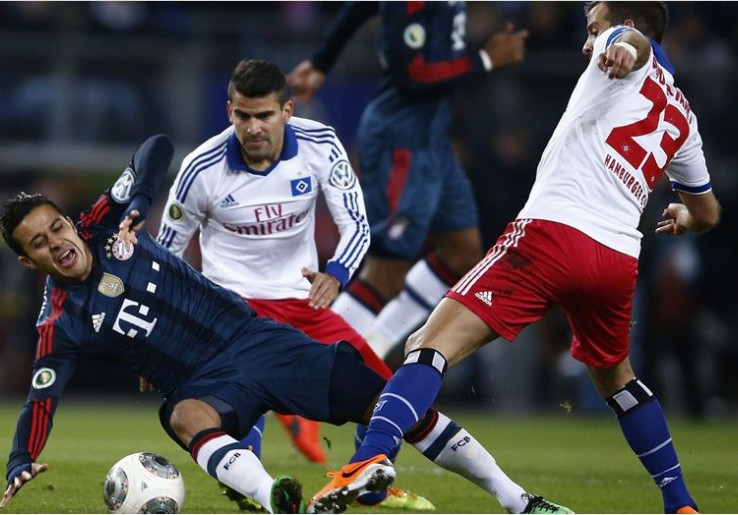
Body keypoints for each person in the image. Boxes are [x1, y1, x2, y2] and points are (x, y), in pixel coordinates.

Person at [0, 135, 573, 515]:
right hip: (205, 384)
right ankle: (277, 498)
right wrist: (21, 459)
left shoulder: (104, 222)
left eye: (56, 228)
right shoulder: (59, 323)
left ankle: (518, 500)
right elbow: (41, 399)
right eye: (39, 244)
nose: (57, 243)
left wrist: (138, 200)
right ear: (29, 262)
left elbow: (154, 148)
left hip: (255, 340)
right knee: (180, 415)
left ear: (69, 222)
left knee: (397, 407)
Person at [311, 2, 720, 514]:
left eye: (592, 30)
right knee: (619, 381)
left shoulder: (622, 44)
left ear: (627, 25)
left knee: (429, 344)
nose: (587, 44)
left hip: (552, 234)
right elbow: (707, 212)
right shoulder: (684, 114)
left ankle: (369, 458)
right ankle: (680, 503)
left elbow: (632, 48)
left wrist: (619, 46)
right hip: (616, 258)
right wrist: (684, 214)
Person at [155, 58, 430, 511]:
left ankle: (368, 482)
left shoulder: (320, 144)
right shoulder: (200, 169)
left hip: (302, 302)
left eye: (264, 115)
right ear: (229, 112)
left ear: (287, 109)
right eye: (243, 116)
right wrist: (168, 332)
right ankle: (254, 488)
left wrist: (336, 274)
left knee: (388, 391)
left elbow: (357, 225)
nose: (253, 127)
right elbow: (167, 256)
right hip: (229, 311)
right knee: (236, 405)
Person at [288, 2, 529, 360]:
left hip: (432, 141)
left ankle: (373, 347)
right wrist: (485, 60)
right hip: (399, 142)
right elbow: (412, 75)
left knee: (462, 255)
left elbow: (360, 7)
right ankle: (309, 364)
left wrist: (321, 62)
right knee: (388, 267)